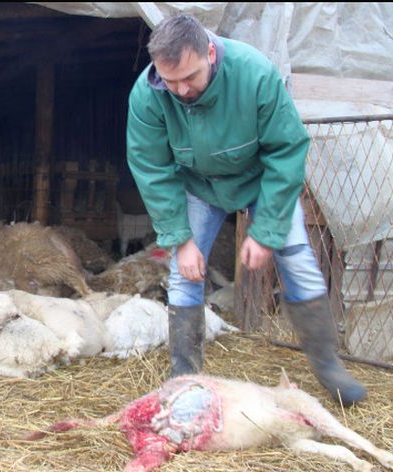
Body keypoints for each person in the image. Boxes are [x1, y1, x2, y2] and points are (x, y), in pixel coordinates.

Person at [125, 14, 366, 405]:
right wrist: (181, 239)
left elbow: (286, 151)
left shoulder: (255, 74)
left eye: (191, 77)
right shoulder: (148, 94)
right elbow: (151, 169)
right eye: (172, 82)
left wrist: (266, 230)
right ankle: (184, 376)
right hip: (199, 185)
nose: (182, 90)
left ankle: (328, 366)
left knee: (297, 258)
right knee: (184, 272)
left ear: (210, 50)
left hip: (259, 179)